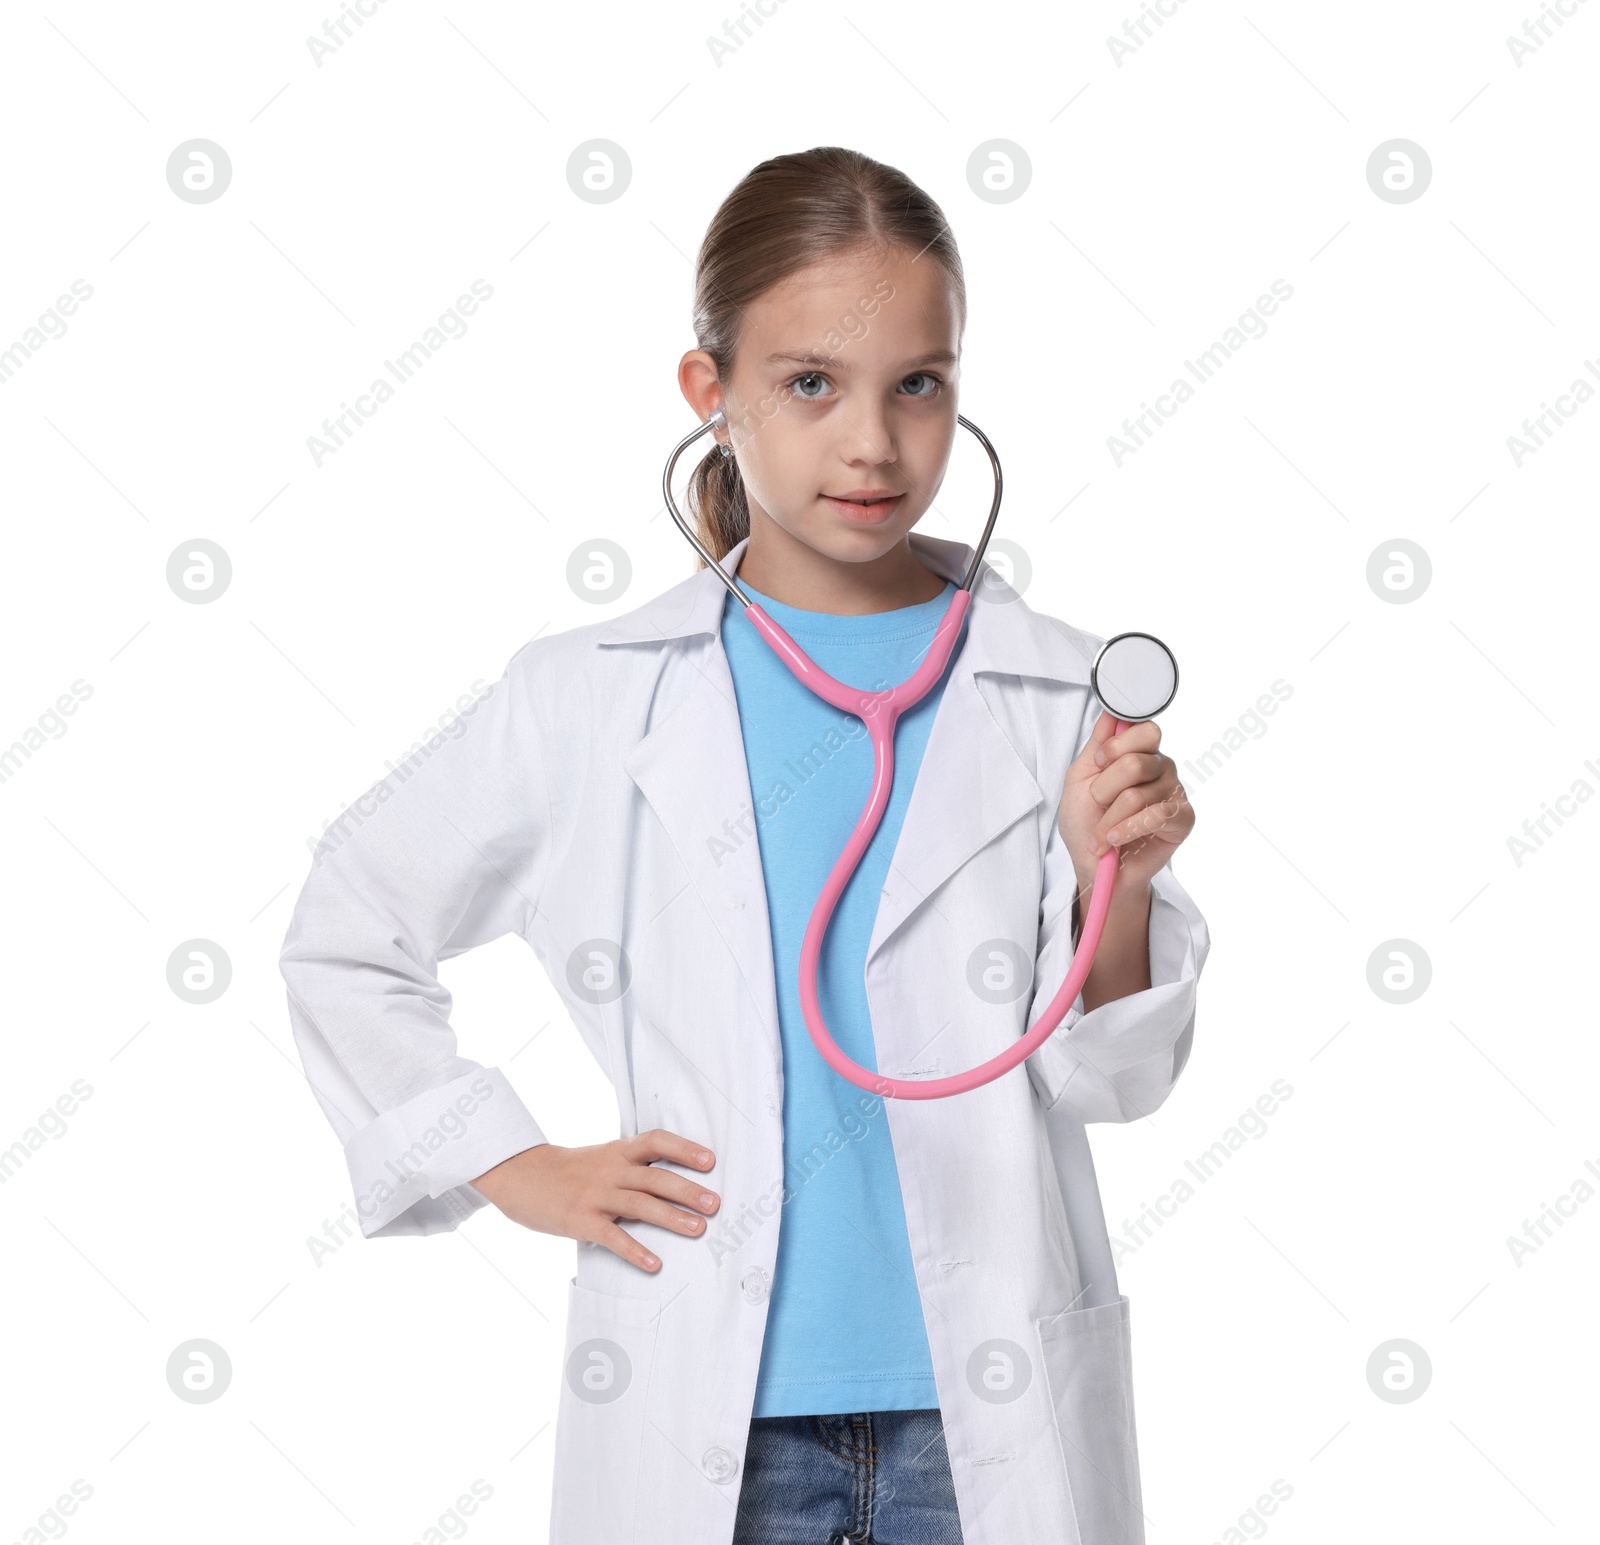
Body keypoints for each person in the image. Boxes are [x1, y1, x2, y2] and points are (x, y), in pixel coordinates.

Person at [279, 145, 1208, 1545]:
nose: (875, 446)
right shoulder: (591, 692)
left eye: (919, 382)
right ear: (710, 395)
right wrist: (515, 1162)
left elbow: (1112, 1078)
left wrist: (1113, 881)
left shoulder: (1055, 687)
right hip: (712, 1412)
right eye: (810, 383)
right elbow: (348, 927)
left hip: (988, 1416)